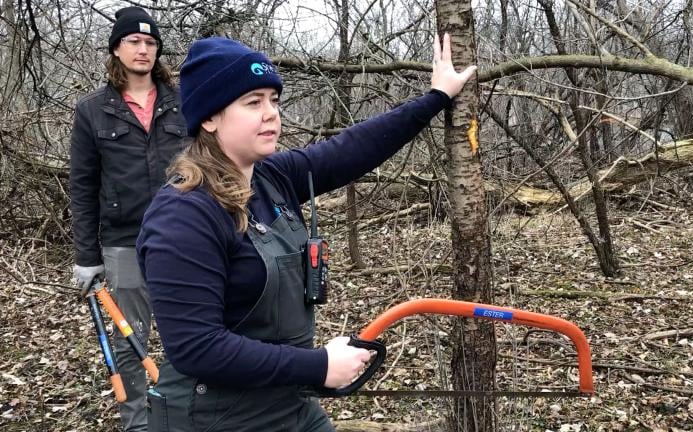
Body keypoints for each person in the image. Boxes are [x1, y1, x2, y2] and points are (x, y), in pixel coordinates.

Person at [136, 34, 475, 431]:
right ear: (209, 118)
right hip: (212, 417)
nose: (271, 114)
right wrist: (319, 366)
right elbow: (197, 347)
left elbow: (353, 148)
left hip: (287, 401)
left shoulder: (272, 177)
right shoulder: (183, 214)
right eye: (252, 102)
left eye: (274, 100)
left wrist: (436, 96)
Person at [69, 6, 187, 432]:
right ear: (116, 49)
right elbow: (82, 187)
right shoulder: (93, 111)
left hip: (183, 236)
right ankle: (138, 422)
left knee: (188, 331)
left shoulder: (183, 102)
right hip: (123, 242)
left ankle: (185, 413)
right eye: (134, 42)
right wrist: (87, 256)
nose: (143, 49)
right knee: (130, 339)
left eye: (151, 42)